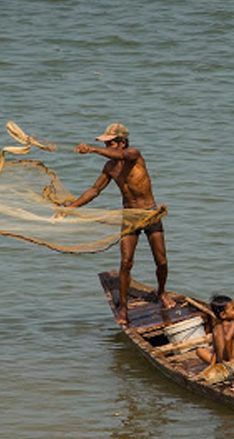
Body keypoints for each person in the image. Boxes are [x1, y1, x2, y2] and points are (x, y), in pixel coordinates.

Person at [65, 123, 173, 324]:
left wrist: (92, 149)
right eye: (105, 143)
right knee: (125, 262)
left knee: (162, 261)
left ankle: (162, 292)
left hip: (150, 213)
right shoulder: (109, 167)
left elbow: (123, 156)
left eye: (110, 142)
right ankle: (123, 307)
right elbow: (94, 190)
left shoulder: (134, 155)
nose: (107, 146)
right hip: (129, 216)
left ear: (122, 143)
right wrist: (71, 207)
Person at [196, 295, 234, 366]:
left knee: (199, 351)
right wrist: (230, 360)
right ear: (223, 315)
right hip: (233, 360)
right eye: (233, 309)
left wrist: (212, 365)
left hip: (220, 362)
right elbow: (227, 338)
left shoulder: (216, 328)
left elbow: (215, 350)